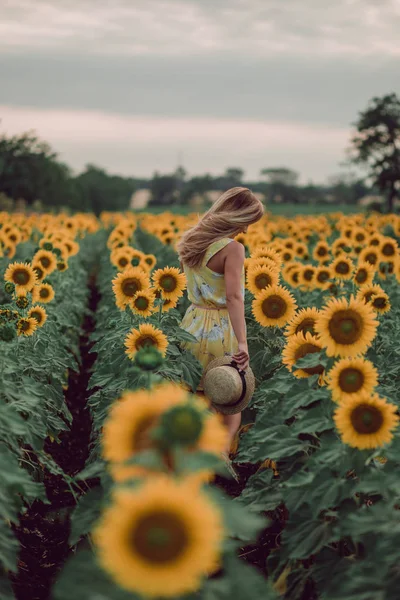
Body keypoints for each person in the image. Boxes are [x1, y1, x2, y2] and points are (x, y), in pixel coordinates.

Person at [177, 187, 264, 452]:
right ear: (237, 217)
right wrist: (243, 343)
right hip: (220, 330)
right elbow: (234, 298)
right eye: (247, 222)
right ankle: (219, 458)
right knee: (229, 400)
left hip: (191, 326)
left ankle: (190, 454)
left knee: (195, 397)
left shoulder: (192, 241)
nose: (247, 230)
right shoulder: (233, 249)